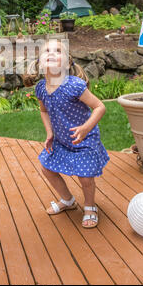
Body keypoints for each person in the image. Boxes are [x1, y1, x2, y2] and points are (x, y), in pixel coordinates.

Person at [23, 39, 109, 228]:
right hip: (62, 139)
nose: (52, 54)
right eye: (47, 51)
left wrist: (86, 128)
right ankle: (68, 200)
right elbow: (44, 111)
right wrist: (49, 133)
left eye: (58, 51)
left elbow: (99, 107)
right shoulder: (41, 88)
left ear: (68, 63)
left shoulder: (74, 85)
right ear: (39, 63)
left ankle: (89, 206)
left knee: (85, 177)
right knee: (47, 168)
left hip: (84, 139)